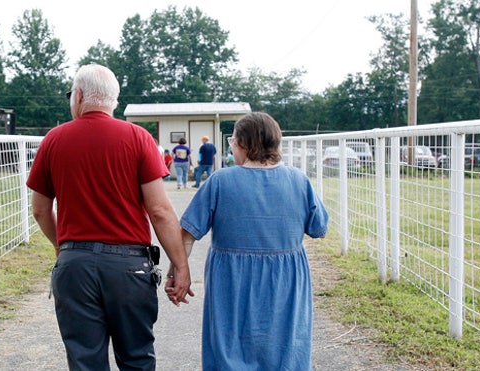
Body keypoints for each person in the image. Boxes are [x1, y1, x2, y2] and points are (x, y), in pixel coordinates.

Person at [26, 63, 193, 370]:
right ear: (114, 101)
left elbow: (39, 209)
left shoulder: (53, 139)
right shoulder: (138, 138)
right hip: (129, 267)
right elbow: (159, 210)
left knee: (85, 360)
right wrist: (180, 266)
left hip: (75, 264)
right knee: (137, 357)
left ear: (78, 96)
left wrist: (62, 246)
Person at [171, 112, 329, 370]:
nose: (232, 146)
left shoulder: (220, 180)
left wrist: (178, 271)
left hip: (231, 282)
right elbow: (319, 228)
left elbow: (187, 233)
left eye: (233, 140)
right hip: (285, 282)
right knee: (285, 346)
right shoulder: (299, 180)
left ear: (244, 143)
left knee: (228, 345)